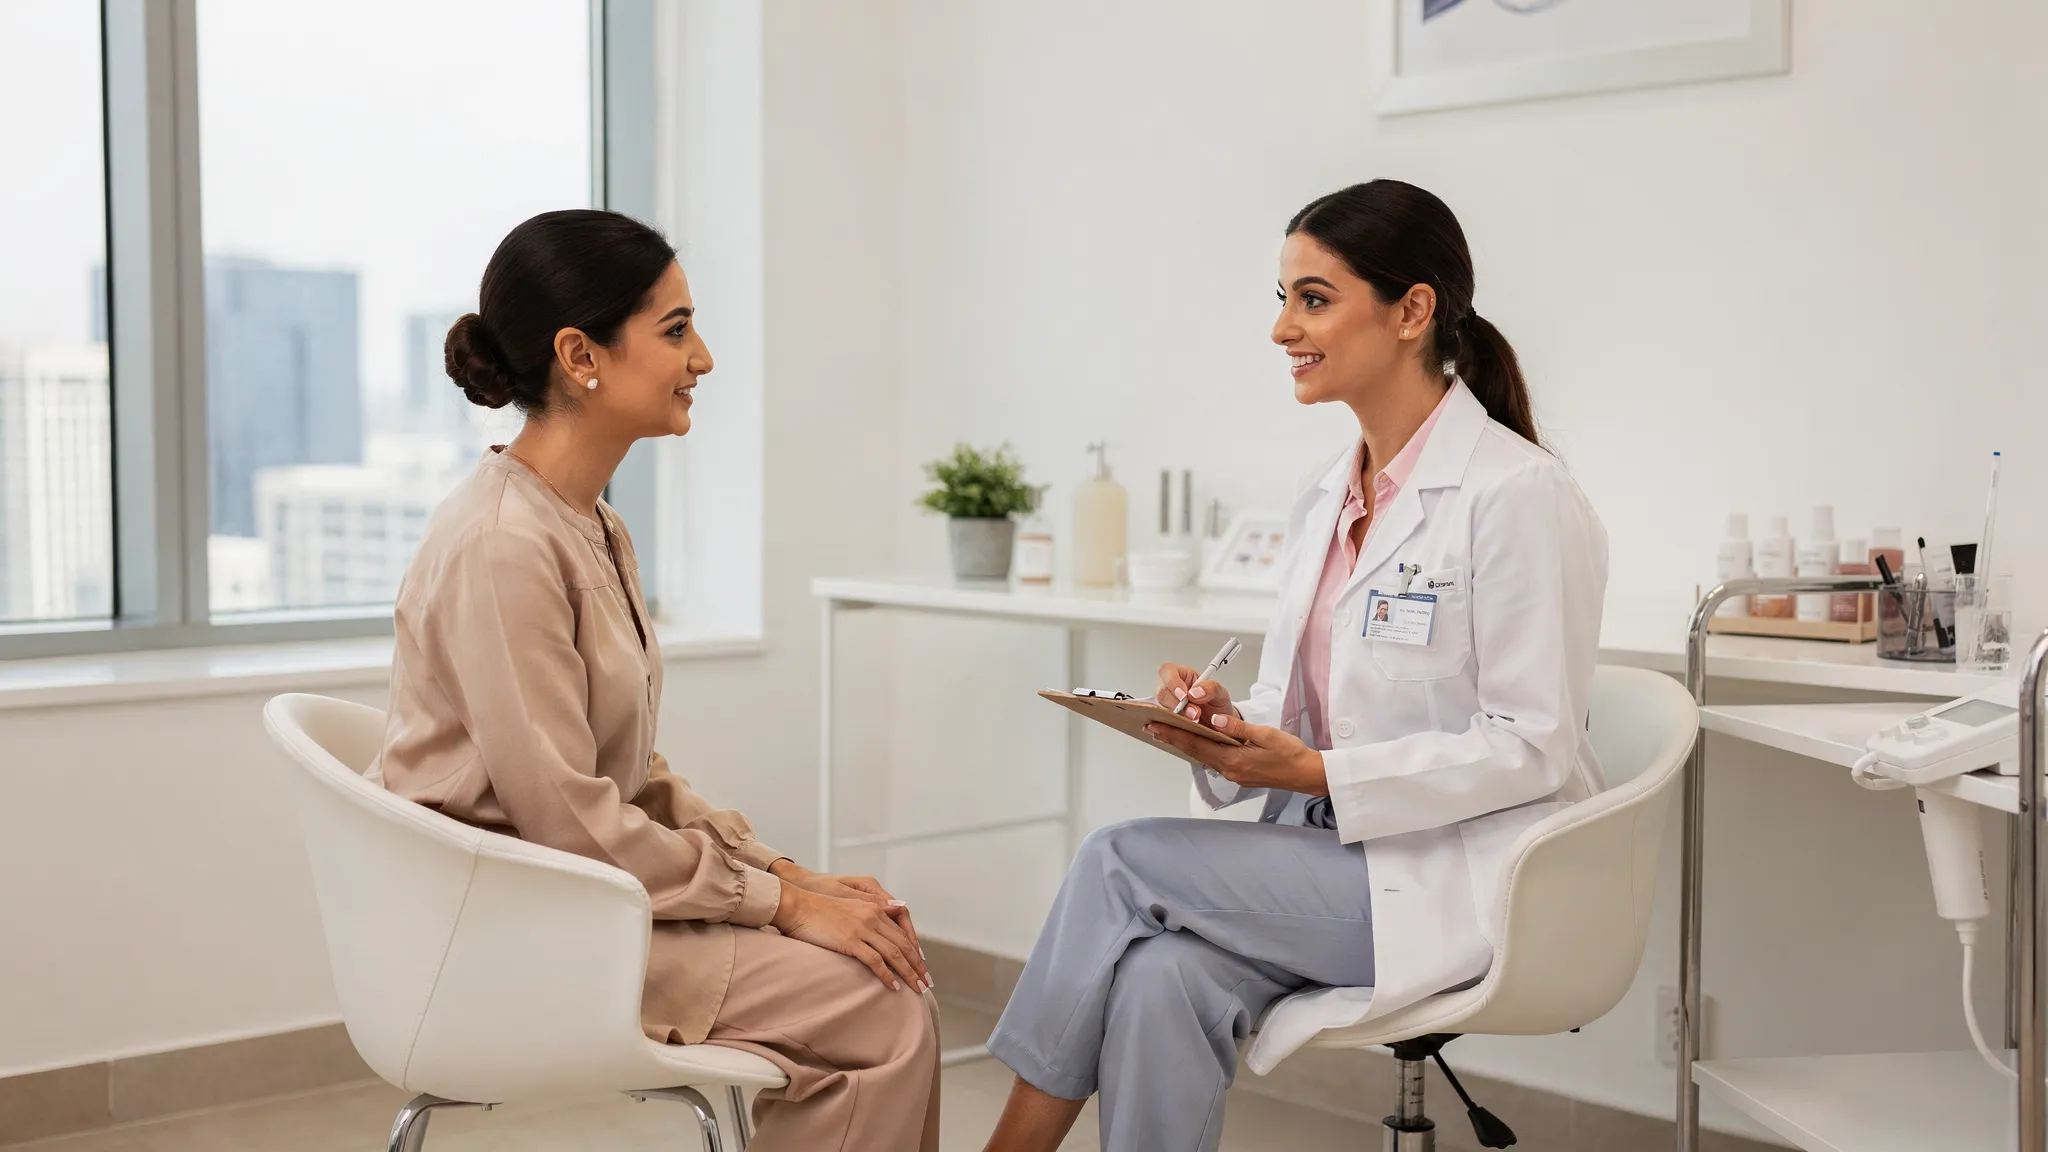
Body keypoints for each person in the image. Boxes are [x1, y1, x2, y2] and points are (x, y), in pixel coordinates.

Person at [980, 180, 1608, 1152]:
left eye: (1310, 298)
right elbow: (1297, 707)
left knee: (1117, 861)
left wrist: (1319, 773)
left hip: (1455, 883)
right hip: (1324, 862)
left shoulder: (1516, 494)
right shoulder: (1324, 500)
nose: (1281, 328)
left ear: (1410, 311)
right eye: (1280, 298)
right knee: (1157, 979)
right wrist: (1226, 725)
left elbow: (1531, 746)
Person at [372, 209, 941, 1151]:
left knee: (882, 979)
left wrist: (785, 873)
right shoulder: (503, 547)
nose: (704, 358)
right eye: (676, 331)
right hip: (519, 936)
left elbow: (630, 775)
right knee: (879, 1012)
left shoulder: (588, 522)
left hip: (586, 910)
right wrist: (784, 906)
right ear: (580, 355)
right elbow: (575, 825)